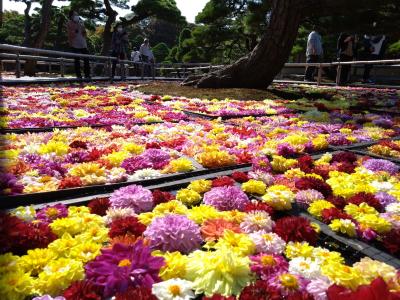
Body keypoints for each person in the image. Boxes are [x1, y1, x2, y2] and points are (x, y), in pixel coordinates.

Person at [67, 10, 90, 79]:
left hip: (83, 44)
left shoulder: (81, 22)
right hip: (74, 44)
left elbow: (84, 34)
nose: (77, 16)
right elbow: (70, 34)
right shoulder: (69, 23)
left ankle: (87, 75)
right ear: (71, 16)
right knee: (77, 60)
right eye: (75, 15)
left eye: (77, 14)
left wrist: (83, 29)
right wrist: (76, 29)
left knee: (86, 59)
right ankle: (79, 75)